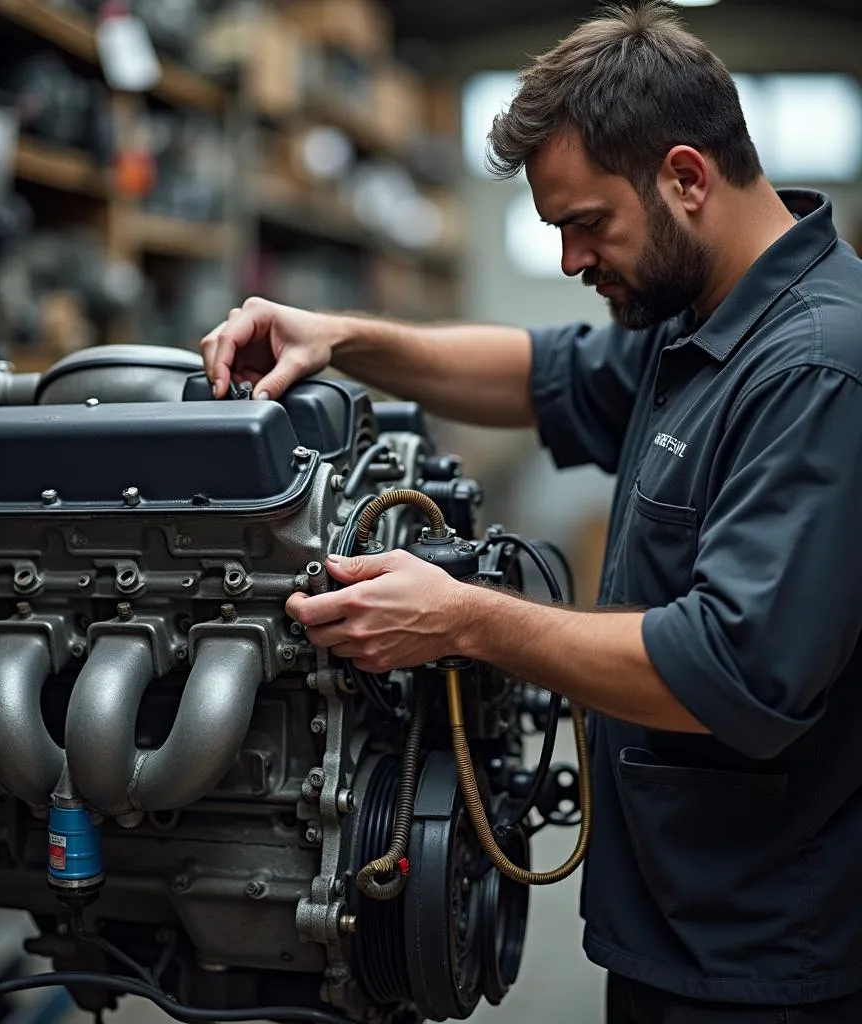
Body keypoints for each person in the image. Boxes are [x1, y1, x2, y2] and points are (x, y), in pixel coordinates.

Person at [200, 2, 862, 1020]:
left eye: (585, 225)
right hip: (675, 916)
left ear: (687, 176)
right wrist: (336, 336)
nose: (567, 262)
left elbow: (733, 671)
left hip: (762, 954)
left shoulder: (815, 368)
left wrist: (467, 617)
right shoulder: (702, 320)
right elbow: (536, 372)